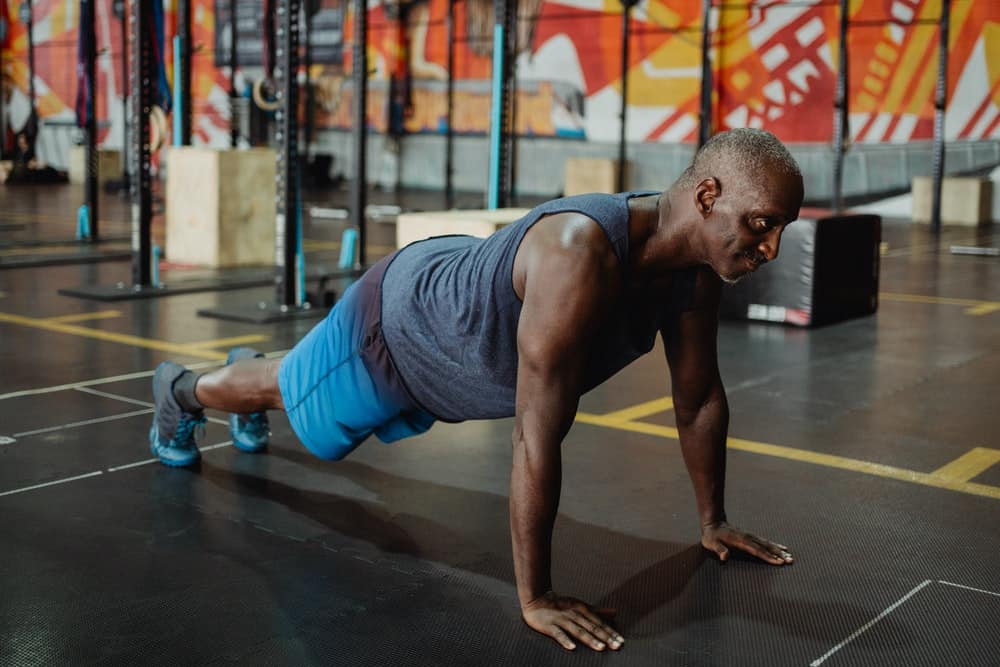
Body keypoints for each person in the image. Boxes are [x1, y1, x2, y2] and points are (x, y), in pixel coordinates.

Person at [149, 127, 803, 652]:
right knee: (293, 400)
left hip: (451, 340)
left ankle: (266, 368)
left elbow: (698, 399)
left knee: (294, 383)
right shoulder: (579, 257)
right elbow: (534, 432)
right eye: (763, 223)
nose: (770, 247)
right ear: (709, 195)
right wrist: (535, 594)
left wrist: (713, 519)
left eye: (781, 231)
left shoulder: (693, 275)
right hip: (399, 332)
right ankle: (180, 391)